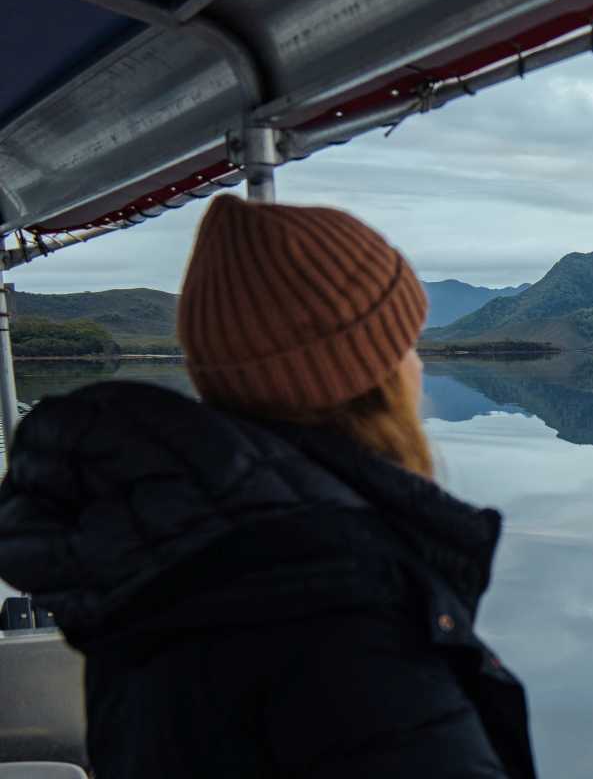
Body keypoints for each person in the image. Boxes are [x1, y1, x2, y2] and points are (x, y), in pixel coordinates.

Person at [0, 195, 535, 777]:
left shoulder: (167, 552)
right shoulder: (336, 597)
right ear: (365, 372)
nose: (419, 366)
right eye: (405, 342)